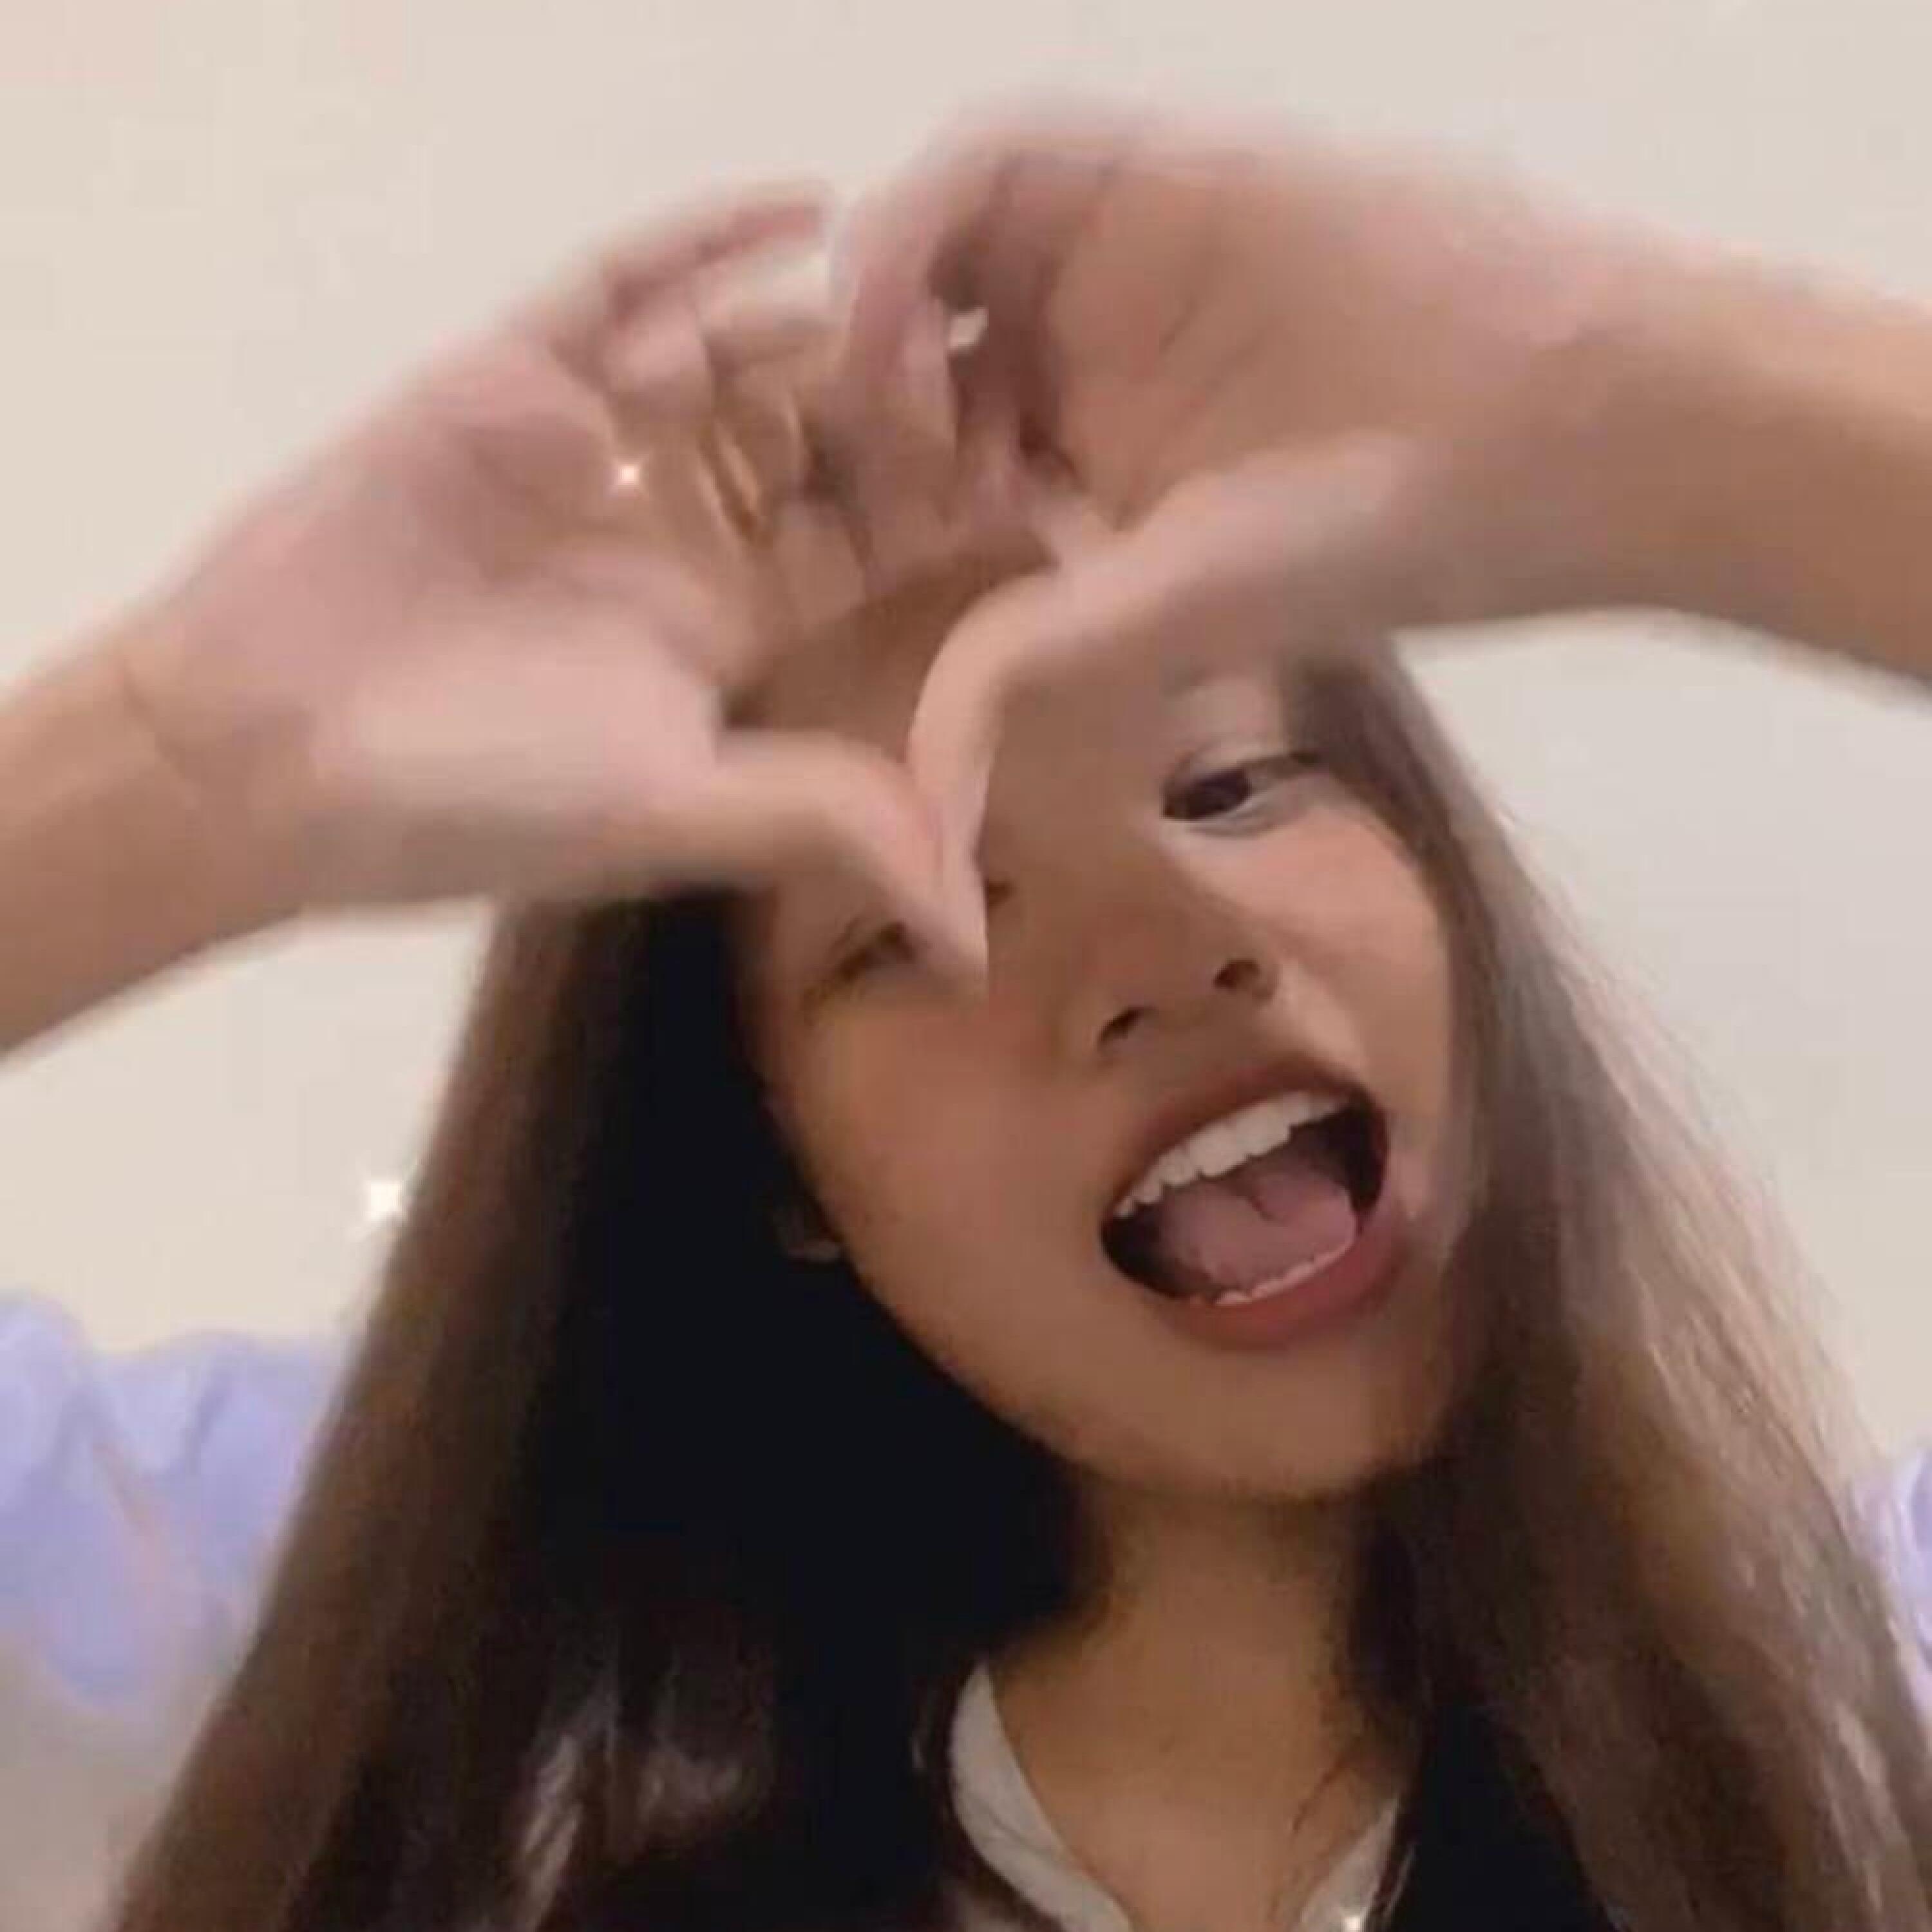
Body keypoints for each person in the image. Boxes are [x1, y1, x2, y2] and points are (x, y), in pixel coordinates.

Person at [1, 108, 1928, 1932]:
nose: (1171, 944)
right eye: (922, 917)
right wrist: (188, 771)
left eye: (1235, 782)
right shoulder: (461, 1707)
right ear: (766, 1156)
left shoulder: (1853, 1716)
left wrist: (1648, 411)